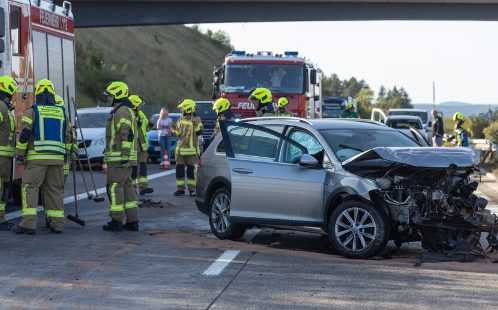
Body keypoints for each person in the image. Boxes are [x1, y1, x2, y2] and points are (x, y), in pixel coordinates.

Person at [13, 79, 71, 234]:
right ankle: (57, 224)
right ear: (52, 93)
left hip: (37, 157)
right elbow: (67, 137)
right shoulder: (61, 112)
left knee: (30, 188)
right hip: (58, 159)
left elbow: (24, 135)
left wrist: (19, 155)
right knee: (55, 190)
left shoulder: (32, 112)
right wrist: (65, 155)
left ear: (37, 93)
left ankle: (28, 224)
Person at [102, 81, 139, 232]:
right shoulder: (125, 110)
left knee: (115, 188)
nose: (108, 99)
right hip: (124, 159)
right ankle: (132, 221)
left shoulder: (121, 111)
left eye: (110, 96)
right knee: (128, 189)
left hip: (119, 160)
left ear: (117, 95)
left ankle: (116, 221)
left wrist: (123, 155)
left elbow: (126, 134)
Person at [174, 99, 203, 197]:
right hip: (185, 151)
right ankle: (186, 190)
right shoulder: (184, 120)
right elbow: (178, 133)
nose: (181, 110)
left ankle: (185, 190)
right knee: (184, 171)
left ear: (187, 109)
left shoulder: (193, 120)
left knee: (186, 170)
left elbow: (199, 132)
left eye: (182, 108)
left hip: (185, 151)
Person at [0, 76, 17, 230]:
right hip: (1, 157)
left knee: (4, 187)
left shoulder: (5, 107)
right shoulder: (0, 106)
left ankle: (1, 218)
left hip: (5, 157)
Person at [129, 94, 153, 196]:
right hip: (132, 146)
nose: (140, 106)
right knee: (133, 168)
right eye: (139, 104)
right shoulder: (128, 114)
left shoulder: (141, 114)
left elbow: (146, 126)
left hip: (142, 145)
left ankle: (143, 187)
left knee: (143, 166)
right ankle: (132, 188)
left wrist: (149, 125)